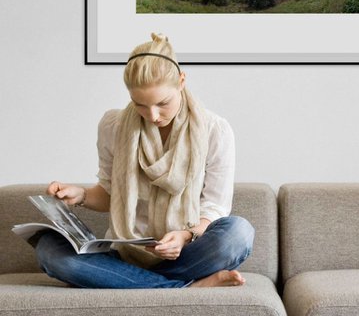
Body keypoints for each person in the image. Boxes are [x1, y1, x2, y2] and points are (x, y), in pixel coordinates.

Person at [34, 33, 255, 289]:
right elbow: (110, 194)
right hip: (124, 254)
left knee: (238, 233)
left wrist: (184, 236)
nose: (152, 115)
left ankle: (129, 282)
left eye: (163, 103)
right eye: (139, 104)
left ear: (181, 81)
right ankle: (184, 288)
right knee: (48, 250)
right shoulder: (113, 126)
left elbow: (214, 207)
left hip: (186, 253)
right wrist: (80, 195)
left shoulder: (215, 130)